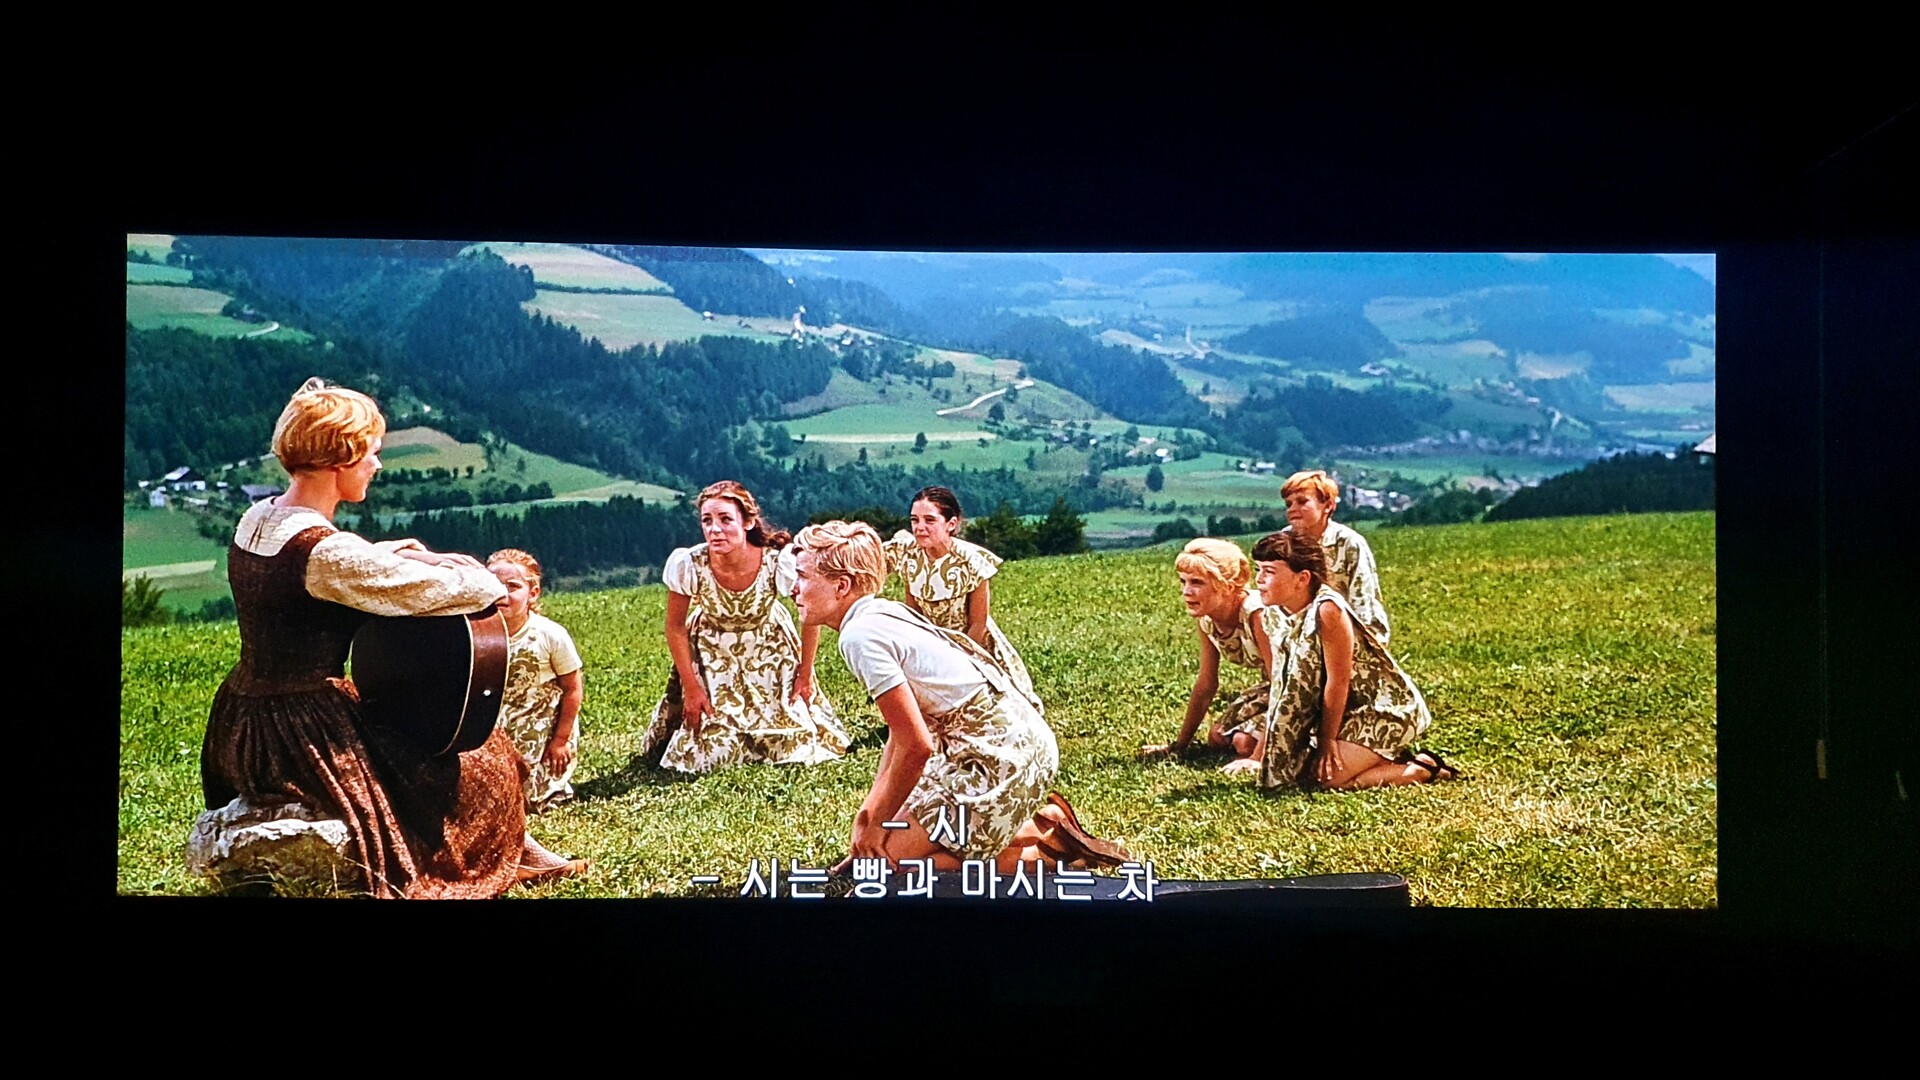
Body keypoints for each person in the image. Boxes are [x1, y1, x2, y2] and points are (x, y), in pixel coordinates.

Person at [197, 377, 541, 898]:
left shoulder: (259, 516)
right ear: (340, 460)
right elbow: (460, 588)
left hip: (243, 716)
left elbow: (327, 565)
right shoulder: (327, 555)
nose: (377, 465)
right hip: (300, 728)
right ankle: (505, 855)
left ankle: (518, 849)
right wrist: (474, 574)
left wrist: (398, 551)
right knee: (481, 760)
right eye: (370, 453)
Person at [790, 520, 1128, 873]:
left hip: (998, 757)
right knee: (876, 853)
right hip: (998, 744)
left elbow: (917, 746)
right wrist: (870, 814)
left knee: (888, 867)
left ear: (841, 585)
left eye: (802, 576)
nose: (794, 589)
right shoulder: (881, 611)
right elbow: (901, 732)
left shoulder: (859, 637)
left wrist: (877, 826)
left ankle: (1048, 852)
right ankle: (1043, 825)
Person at [639, 481, 849, 772]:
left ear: (748, 522)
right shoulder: (690, 563)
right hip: (712, 654)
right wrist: (691, 686)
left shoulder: (776, 561)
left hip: (771, 652)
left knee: (790, 744)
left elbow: (809, 615)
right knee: (712, 750)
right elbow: (675, 626)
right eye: (707, 521)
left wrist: (805, 673)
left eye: (725, 520)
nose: (715, 529)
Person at [1222, 531, 1456, 791]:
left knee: (1326, 780)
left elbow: (1338, 682)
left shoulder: (1328, 609)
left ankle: (1420, 769)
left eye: (1269, 572)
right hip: (1342, 712)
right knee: (1297, 774)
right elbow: (1282, 685)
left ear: (1302, 578)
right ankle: (1376, 757)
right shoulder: (1274, 613)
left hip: (1378, 709)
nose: (1259, 580)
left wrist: (1327, 741)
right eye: (1258, 570)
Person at [487, 548, 591, 880]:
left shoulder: (549, 635)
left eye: (513, 587)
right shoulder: (478, 633)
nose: (503, 594)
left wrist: (560, 740)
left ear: (533, 593)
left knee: (530, 797)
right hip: (496, 728)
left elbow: (572, 688)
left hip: (541, 730)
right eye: (495, 585)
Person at [882, 486, 1038, 704]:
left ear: (951, 524)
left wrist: (956, 662)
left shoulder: (971, 561)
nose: (920, 527)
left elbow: (978, 623)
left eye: (929, 520)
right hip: (930, 644)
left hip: (971, 647)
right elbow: (914, 616)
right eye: (915, 520)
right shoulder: (910, 556)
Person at [1138, 538, 1274, 766]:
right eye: (1183, 581)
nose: (1186, 591)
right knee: (1217, 737)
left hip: (1303, 687)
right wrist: (1179, 746)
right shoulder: (1207, 619)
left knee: (1243, 743)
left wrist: (1256, 758)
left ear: (1228, 586)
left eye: (1197, 583)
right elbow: (1206, 684)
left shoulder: (1257, 614)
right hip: (1271, 688)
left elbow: (1284, 684)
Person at [1279, 469, 1391, 644]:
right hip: (1301, 635)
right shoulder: (1283, 542)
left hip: (1350, 632)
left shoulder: (1349, 543)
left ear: (1328, 506)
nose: (1293, 509)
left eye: (1302, 502)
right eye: (1288, 504)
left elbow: (1363, 601)